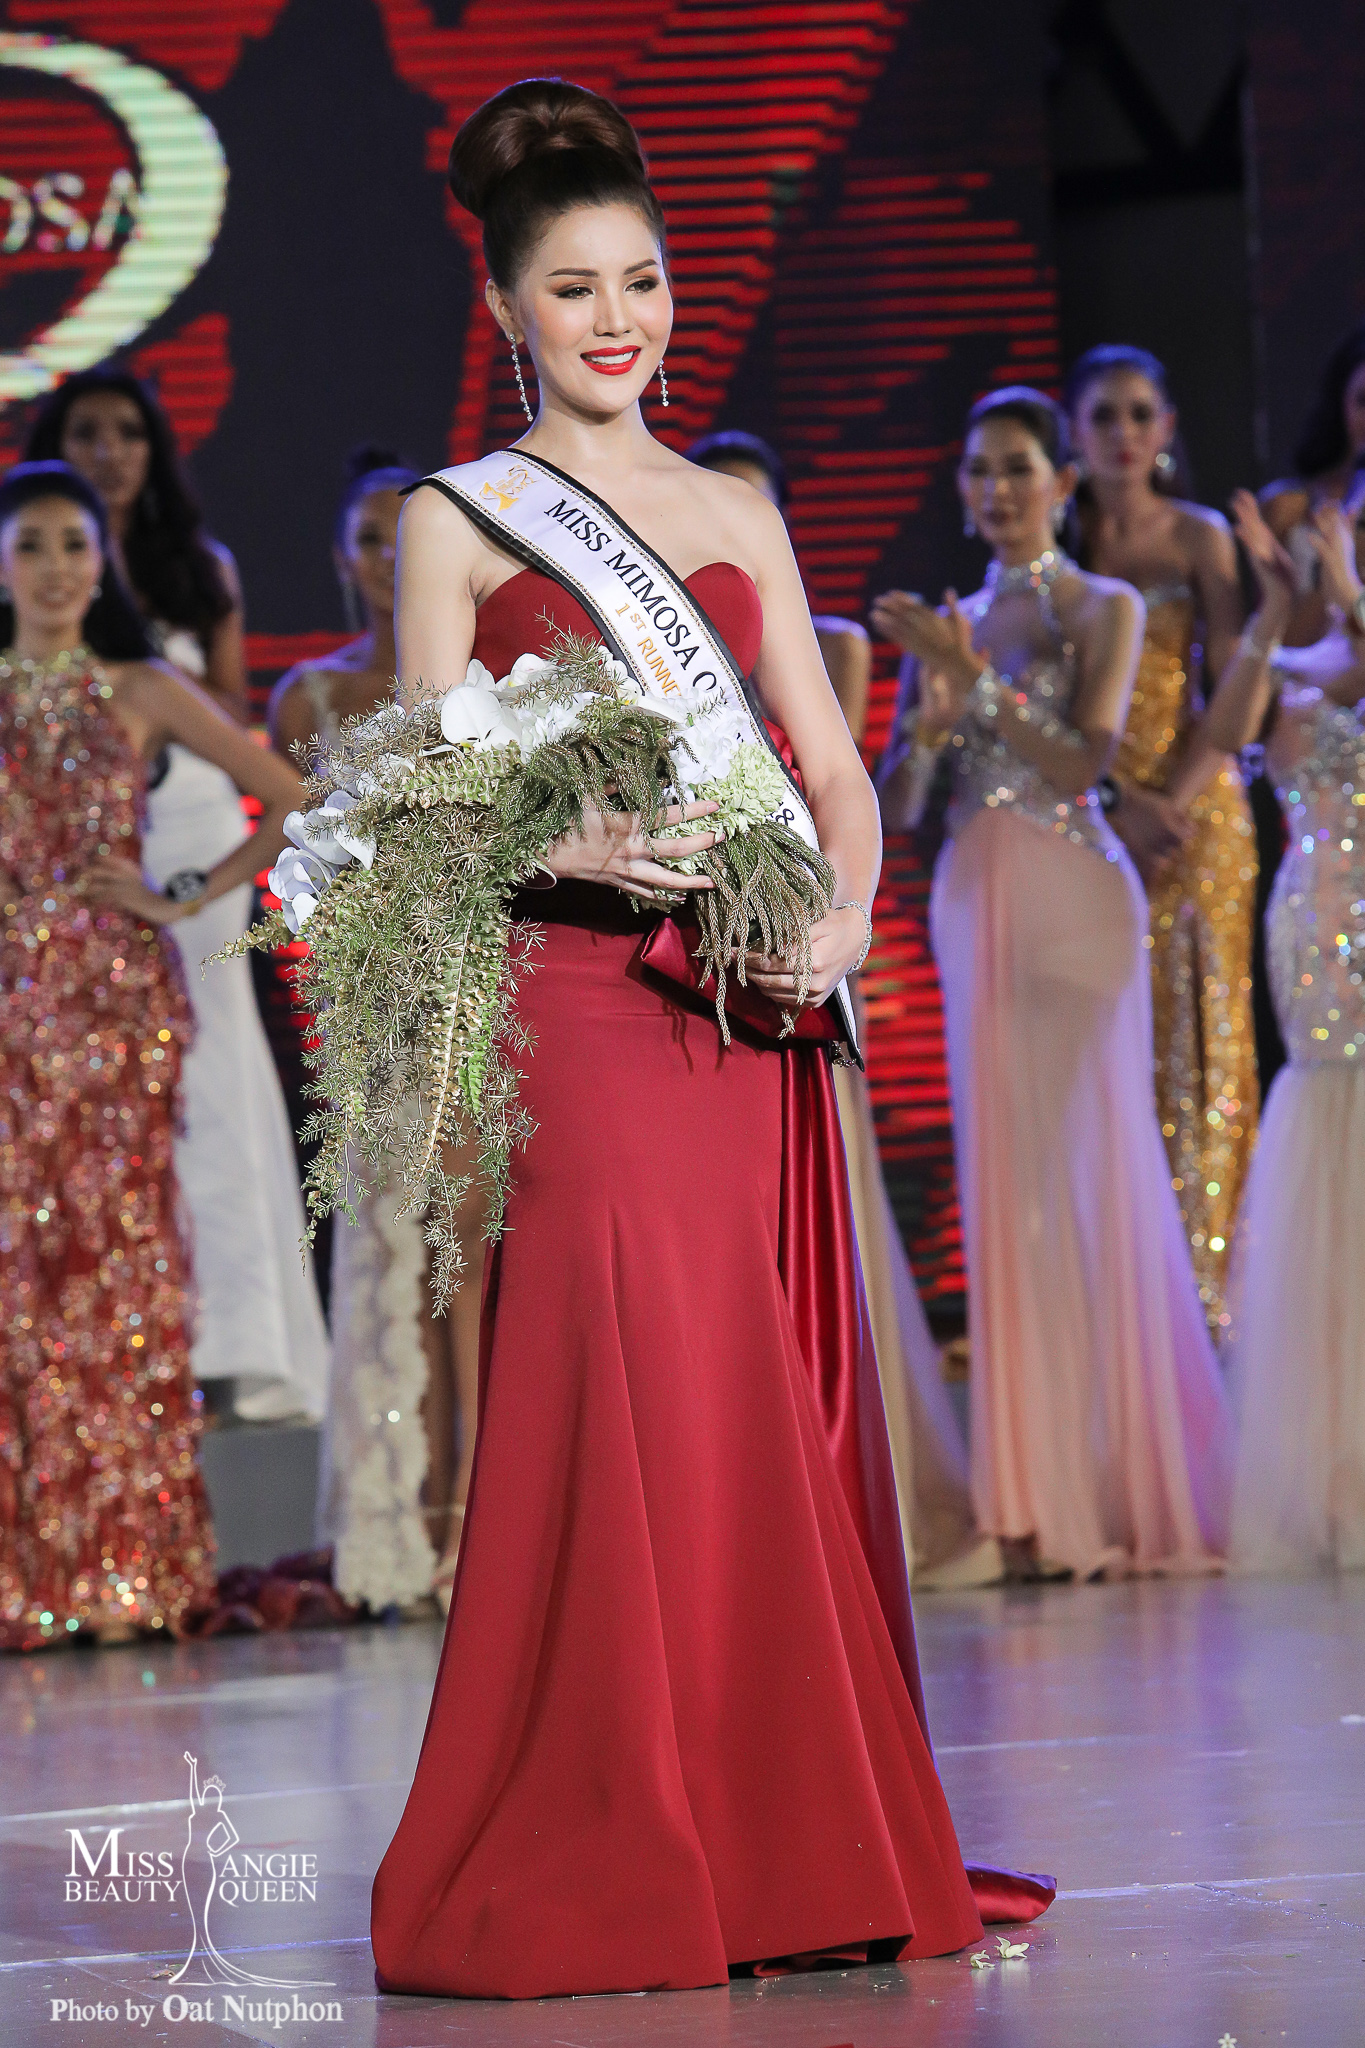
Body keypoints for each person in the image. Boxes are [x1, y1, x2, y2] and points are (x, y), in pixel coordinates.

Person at [369, 79, 1051, 2001]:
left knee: (748, 1397)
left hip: (751, 1011)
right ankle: (611, 1825)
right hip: (582, 997)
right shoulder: (455, 520)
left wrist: (842, 915)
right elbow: (425, 787)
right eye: (575, 286)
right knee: (617, 1380)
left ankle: (777, 1834)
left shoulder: (741, 507)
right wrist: (567, 842)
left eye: (643, 282)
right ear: (506, 306)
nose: (618, 319)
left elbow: (830, 769)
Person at [874, 387, 1232, 1584]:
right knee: (1009, 1192)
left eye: (1019, 467)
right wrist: (931, 721)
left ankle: (1113, 1487)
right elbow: (902, 807)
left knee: (1087, 1181)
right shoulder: (955, 619)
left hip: (1075, 899)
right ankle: (1029, 1500)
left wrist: (973, 683)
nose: (998, 489)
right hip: (973, 899)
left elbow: (1083, 761)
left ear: (1062, 483)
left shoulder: (1102, 605)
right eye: (980, 470)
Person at [0, 461, 301, 1649]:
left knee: (119, 1270)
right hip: (9, 1014)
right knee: (22, 1279)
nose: (57, 568)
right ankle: (30, 1568)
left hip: (116, 1009)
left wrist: (182, 895)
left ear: (103, 562)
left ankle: (124, 1565)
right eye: (32, 544)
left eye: (75, 544)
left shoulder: (139, 687)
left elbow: (288, 796)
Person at [688, 426, 974, 1578]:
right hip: (693, 935)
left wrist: (832, 918)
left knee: (820, 1217)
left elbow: (833, 777)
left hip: (801, 936)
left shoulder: (828, 643)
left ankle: (856, 1485)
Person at [29, 372, 328, 1423]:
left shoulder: (190, 578)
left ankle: (236, 1344)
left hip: (192, 832)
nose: (109, 450)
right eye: (86, 432)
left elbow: (247, 733)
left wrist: (186, 883)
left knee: (209, 1075)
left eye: (127, 432)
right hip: (61, 867)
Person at [271, 449, 486, 1613]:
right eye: (367, 537)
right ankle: (412, 1516)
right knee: (399, 1256)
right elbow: (294, 856)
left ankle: (484, 1510)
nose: (385, 558)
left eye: (402, 536)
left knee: (477, 1257)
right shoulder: (310, 697)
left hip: (481, 987)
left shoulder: (493, 683)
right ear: (342, 556)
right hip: (374, 1000)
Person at [1063, 344, 1255, 1332]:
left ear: (1168, 429)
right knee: (1112, 1045)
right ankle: (1123, 1300)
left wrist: (1165, 807)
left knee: (1204, 1044)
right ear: (1074, 432)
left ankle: (1207, 1297)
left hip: (1196, 817)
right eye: (1104, 415)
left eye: (1140, 413)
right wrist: (1114, 805)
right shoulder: (1061, 545)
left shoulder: (1200, 537)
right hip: (1091, 819)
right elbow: (1043, 702)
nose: (1124, 434)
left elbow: (1234, 691)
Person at [1197, 482, 1365, 1573]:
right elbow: (1224, 733)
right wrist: (1272, 606)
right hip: (1319, 926)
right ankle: (1334, 1468)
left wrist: (1348, 592)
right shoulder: (1302, 665)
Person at [1260, 322, 1365, 647]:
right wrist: (1338, 560)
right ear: (1341, 403)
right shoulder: (1289, 506)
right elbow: (1275, 647)